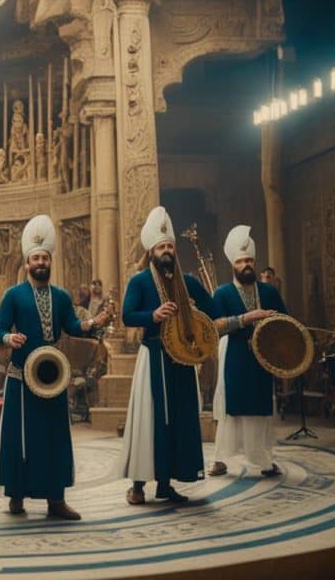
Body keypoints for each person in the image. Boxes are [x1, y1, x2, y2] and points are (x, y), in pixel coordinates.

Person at [0, 215, 110, 519]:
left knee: (55, 437)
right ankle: (16, 495)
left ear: (50, 260)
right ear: (27, 261)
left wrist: (93, 323)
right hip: (21, 377)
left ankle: (55, 500)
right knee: (20, 438)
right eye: (36, 258)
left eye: (45, 257)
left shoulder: (60, 295)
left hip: (53, 377)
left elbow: (71, 326)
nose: (41, 262)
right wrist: (8, 337)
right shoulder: (13, 295)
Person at [115, 206, 219, 505]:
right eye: (161, 247)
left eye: (170, 246)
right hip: (154, 358)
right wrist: (154, 314)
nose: (166, 251)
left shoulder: (187, 281)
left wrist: (196, 308)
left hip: (182, 360)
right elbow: (127, 316)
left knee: (180, 419)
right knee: (149, 421)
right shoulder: (139, 282)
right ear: (151, 251)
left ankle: (166, 483)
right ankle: (137, 485)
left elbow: (214, 311)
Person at [207, 226, 286, 478]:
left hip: (263, 357)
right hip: (236, 353)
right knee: (232, 408)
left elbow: (286, 323)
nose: (246, 265)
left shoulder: (269, 292)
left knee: (260, 407)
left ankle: (263, 460)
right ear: (233, 264)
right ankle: (220, 459)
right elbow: (215, 326)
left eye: (249, 260)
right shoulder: (222, 293)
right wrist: (244, 318)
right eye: (241, 261)